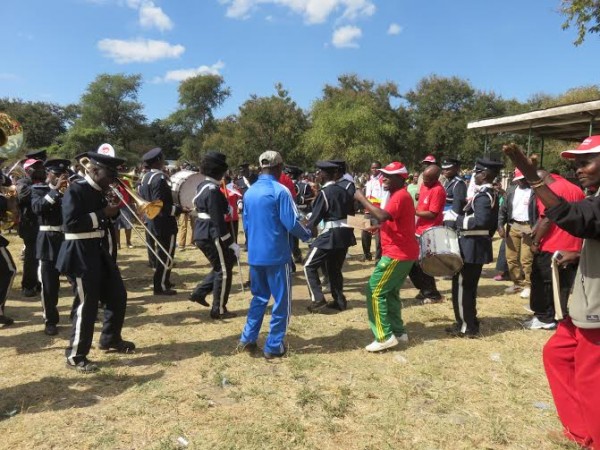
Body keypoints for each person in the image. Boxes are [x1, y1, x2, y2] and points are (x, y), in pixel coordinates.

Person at [504, 137, 600, 450]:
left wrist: (532, 178)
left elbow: (576, 218)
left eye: (585, 162)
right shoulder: (593, 194)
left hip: (597, 306)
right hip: (585, 300)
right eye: (576, 164)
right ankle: (580, 430)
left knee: (590, 377)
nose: (579, 169)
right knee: (557, 354)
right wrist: (579, 252)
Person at [57, 152, 135, 372]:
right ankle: (75, 354)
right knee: (87, 304)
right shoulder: (76, 189)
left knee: (117, 294)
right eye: (110, 174)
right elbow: (70, 224)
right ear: (93, 170)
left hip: (98, 251)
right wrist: (102, 213)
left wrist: (111, 212)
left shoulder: (101, 191)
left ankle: (110, 338)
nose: (113, 179)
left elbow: (106, 219)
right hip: (79, 252)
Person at [238, 150, 311, 359]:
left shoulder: (249, 193)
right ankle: (274, 345)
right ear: (279, 167)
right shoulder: (280, 190)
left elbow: (247, 225)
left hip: (255, 254)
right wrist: (308, 237)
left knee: (258, 297)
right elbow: (291, 222)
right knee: (281, 301)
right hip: (277, 255)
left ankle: (248, 337)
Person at [354, 161, 419, 352]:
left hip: (397, 254)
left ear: (401, 179)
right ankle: (398, 332)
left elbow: (382, 215)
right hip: (404, 252)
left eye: (388, 176)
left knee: (374, 291)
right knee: (390, 292)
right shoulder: (398, 195)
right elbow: (390, 220)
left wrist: (361, 197)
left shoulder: (399, 196)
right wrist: (380, 228)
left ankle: (383, 336)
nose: (383, 179)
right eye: (383, 175)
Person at [444, 158, 503, 338]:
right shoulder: (487, 193)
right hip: (474, 245)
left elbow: (481, 221)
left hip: (471, 247)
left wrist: (457, 220)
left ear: (484, 174)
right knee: (466, 287)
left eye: (477, 172)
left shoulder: (484, 195)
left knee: (463, 287)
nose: (474, 176)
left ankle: (466, 326)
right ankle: (469, 320)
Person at [524, 169, 584, 330]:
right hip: (573, 245)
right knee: (563, 284)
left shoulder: (550, 191)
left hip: (552, 244)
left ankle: (544, 317)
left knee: (542, 281)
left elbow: (546, 220)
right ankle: (559, 315)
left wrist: (535, 242)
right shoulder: (575, 188)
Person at [189, 151, 238, 320]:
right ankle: (219, 308)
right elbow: (218, 221)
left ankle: (199, 293)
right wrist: (230, 242)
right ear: (218, 172)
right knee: (224, 271)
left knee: (221, 266)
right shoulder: (212, 190)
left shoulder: (203, 186)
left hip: (203, 231)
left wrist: (226, 207)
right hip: (212, 233)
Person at [304, 161, 357, 312]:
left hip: (331, 234)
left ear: (327, 175)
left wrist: (303, 224)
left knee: (309, 265)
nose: (318, 175)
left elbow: (314, 220)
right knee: (334, 268)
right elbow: (352, 212)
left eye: (320, 173)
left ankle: (318, 301)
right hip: (345, 234)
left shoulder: (325, 193)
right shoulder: (343, 190)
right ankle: (339, 300)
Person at [31, 159, 70, 336]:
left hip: (67, 239)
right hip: (47, 240)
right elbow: (38, 208)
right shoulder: (38, 190)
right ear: (49, 174)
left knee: (78, 279)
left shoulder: (68, 191)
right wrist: (55, 191)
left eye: (64, 175)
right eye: (58, 175)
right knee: (49, 285)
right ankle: (50, 320)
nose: (62, 178)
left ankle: (80, 312)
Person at [138, 148, 182, 295]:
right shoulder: (160, 179)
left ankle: (165, 280)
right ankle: (161, 285)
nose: (164, 161)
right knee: (166, 254)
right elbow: (161, 204)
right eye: (162, 159)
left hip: (152, 220)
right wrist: (179, 210)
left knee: (162, 253)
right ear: (158, 161)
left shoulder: (145, 177)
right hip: (163, 221)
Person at [408, 164, 446, 303]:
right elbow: (422, 201)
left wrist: (414, 211)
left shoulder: (438, 191)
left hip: (430, 231)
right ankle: (424, 289)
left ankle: (432, 293)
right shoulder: (424, 186)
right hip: (418, 228)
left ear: (436, 178)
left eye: (428, 179)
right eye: (424, 178)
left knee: (423, 263)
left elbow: (432, 214)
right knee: (413, 263)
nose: (424, 181)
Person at [497, 169, 535, 298]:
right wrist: (500, 226)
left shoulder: (534, 191)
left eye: (523, 178)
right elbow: (503, 210)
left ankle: (528, 285)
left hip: (528, 226)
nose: (521, 181)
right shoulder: (511, 191)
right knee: (511, 258)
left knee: (526, 259)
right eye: (519, 179)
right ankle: (517, 282)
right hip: (513, 226)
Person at [16, 159, 44, 297]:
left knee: (41, 256)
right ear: (28, 170)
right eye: (35, 167)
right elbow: (22, 196)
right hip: (29, 225)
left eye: (39, 166)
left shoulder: (41, 181)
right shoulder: (23, 182)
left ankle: (38, 283)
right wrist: (40, 188)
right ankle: (28, 285)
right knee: (31, 257)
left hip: (41, 224)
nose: (39, 168)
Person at [361, 161, 384, 262]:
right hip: (367, 211)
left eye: (376, 168)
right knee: (364, 233)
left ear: (380, 168)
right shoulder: (369, 180)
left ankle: (378, 258)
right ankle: (367, 254)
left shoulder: (383, 180)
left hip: (378, 211)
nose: (374, 170)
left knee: (378, 236)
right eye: (372, 168)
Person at [441, 158, 467, 226]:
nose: (445, 171)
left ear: (456, 168)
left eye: (448, 169)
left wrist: (450, 223)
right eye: (444, 169)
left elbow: (457, 207)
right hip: (444, 217)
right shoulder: (447, 182)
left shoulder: (459, 183)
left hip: (451, 220)